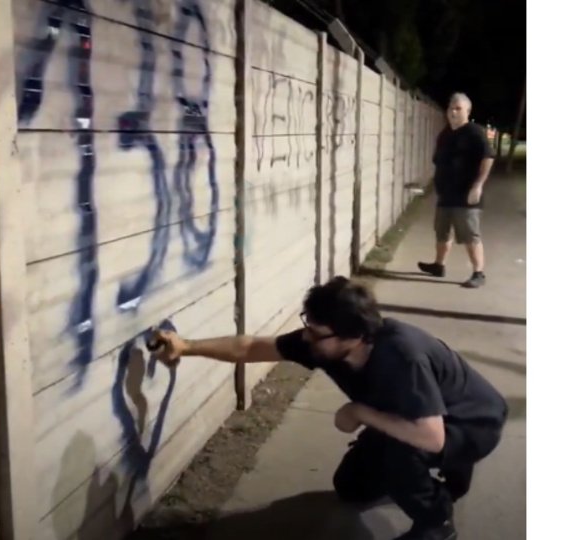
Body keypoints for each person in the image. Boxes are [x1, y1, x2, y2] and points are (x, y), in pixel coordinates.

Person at [150, 277, 509, 540]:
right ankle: (442, 475)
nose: (307, 337)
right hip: (422, 414)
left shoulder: (401, 358)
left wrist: (360, 413)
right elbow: (252, 347)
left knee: (401, 449)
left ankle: (437, 522)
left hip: (470, 423)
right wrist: (187, 346)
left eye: (316, 332)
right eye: (309, 327)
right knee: (351, 488)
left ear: (354, 336)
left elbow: (431, 437)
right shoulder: (325, 342)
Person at [418, 93, 496, 289]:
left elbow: (488, 157)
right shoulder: (445, 134)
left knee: (470, 235)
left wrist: (478, 185)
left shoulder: (474, 132)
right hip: (446, 195)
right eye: (451, 108)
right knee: (442, 233)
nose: (453, 112)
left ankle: (479, 273)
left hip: (466, 196)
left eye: (458, 109)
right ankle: (439, 266)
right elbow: (439, 162)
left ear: (467, 112)